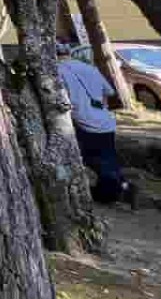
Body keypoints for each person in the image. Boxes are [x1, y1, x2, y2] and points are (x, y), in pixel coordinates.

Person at [56, 39, 138, 208]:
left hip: (83, 123)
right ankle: (121, 188)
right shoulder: (90, 68)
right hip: (105, 121)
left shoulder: (57, 71)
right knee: (108, 159)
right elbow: (108, 92)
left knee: (94, 160)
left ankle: (115, 190)